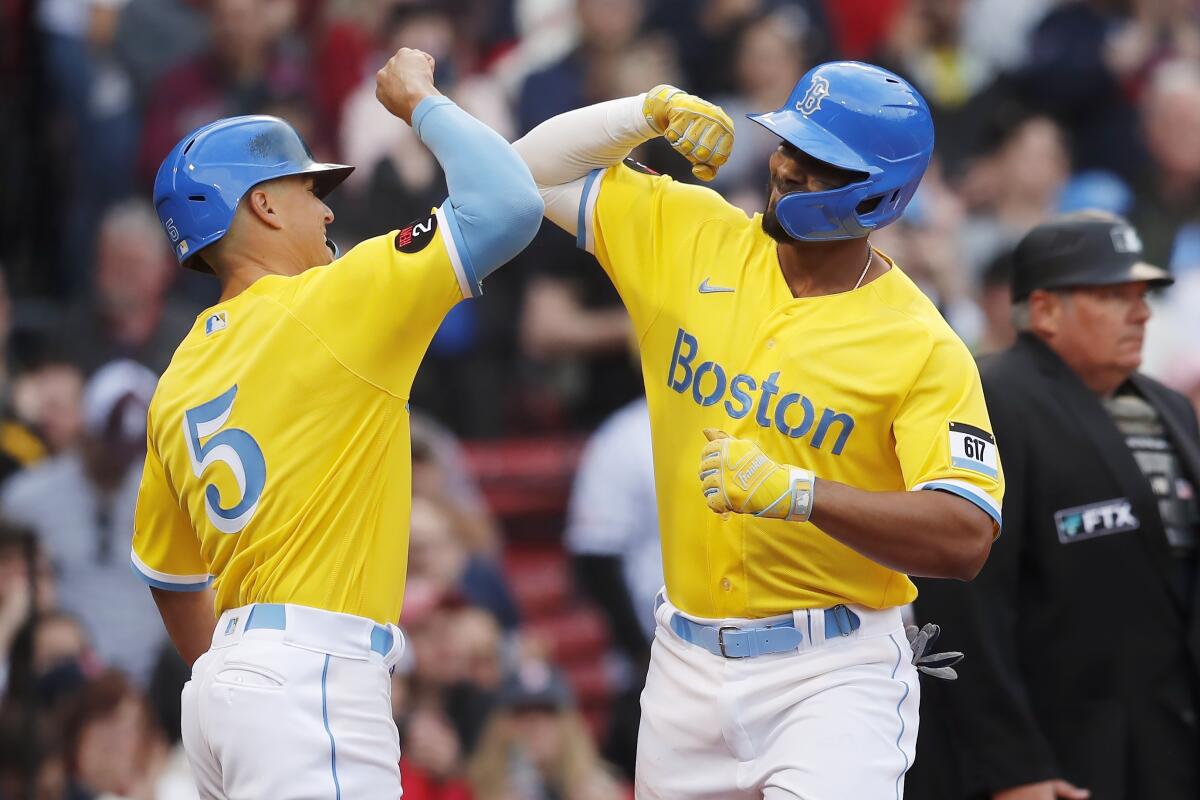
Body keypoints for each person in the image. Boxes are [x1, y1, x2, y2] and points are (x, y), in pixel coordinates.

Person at [514, 61, 1003, 798]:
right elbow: (524, 172)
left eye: (817, 161)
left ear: (878, 191)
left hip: (832, 671)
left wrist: (805, 494)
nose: (784, 165)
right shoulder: (696, 234)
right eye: (787, 143)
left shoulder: (922, 343)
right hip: (682, 663)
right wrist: (645, 113)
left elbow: (966, 535)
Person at [131, 47, 542, 797]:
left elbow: (169, 575)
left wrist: (237, 678)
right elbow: (509, 203)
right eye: (307, 187)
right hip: (310, 674)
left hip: (224, 690)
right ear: (261, 204)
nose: (327, 209)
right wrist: (421, 101)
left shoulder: (177, 377)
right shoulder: (332, 300)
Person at [912, 212, 1197, 800]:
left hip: (1165, 742)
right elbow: (962, 596)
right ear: (1044, 310)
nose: (1141, 312)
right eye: (1113, 296)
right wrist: (1011, 766)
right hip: (1056, 751)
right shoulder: (991, 397)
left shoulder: (1169, 406)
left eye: (1141, 296)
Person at [3, 360, 166, 686]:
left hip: (155, 678)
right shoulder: (27, 499)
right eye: (110, 447)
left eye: (129, 452)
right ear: (87, 429)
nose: (117, 463)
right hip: (63, 677)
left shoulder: (168, 500)